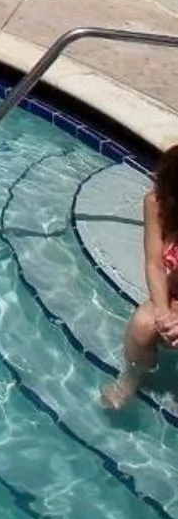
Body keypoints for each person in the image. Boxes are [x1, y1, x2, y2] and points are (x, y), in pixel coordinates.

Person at [102, 144, 178, 411]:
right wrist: (163, 313)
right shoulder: (158, 203)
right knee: (143, 325)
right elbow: (155, 263)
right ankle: (131, 378)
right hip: (174, 294)